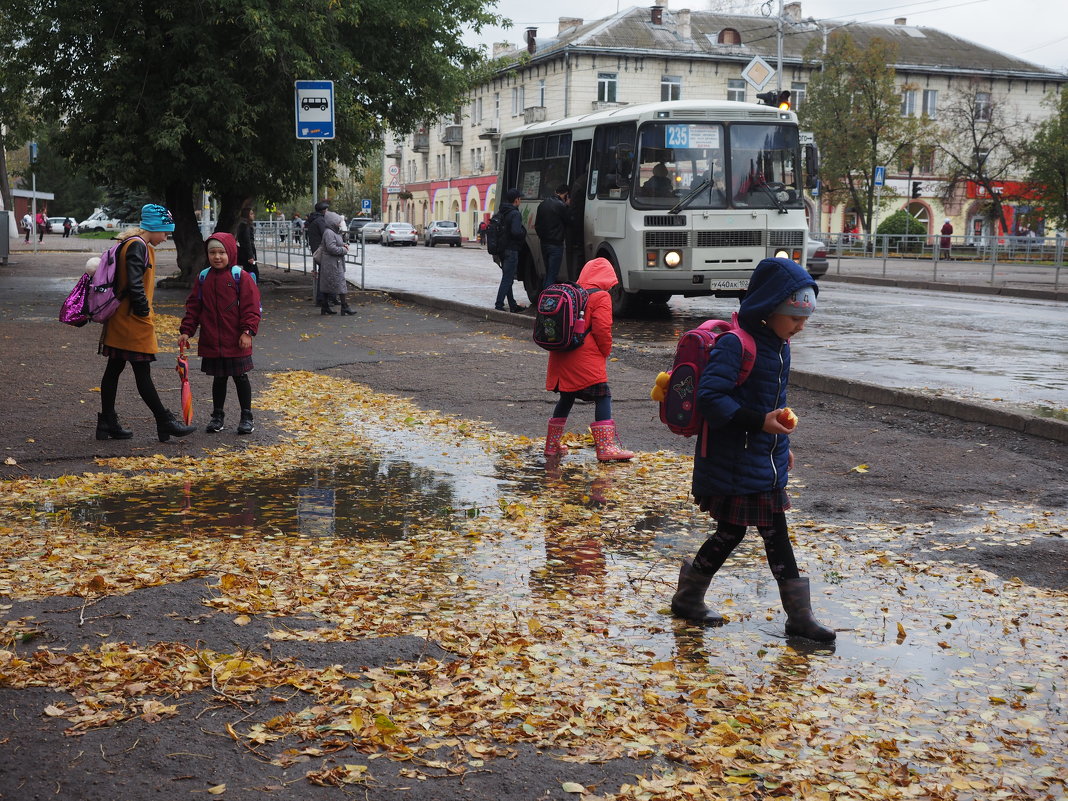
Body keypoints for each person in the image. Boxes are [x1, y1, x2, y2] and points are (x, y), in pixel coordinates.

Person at [669, 256, 834, 642]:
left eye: (804, 319)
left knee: (750, 532)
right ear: (768, 310)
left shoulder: (779, 345)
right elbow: (711, 397)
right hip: (733, 460)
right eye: (794, 318)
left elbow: (774, 402)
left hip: (763, 456)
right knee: (750, 532)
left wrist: (781, 442)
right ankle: (795, 616)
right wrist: (760, 424)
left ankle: (691, 597)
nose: (800, 326)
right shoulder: (736, 345)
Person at [95, 203, 196, 443]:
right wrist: (143, 312)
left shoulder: (133, 244)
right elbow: (134, 283)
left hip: (122, 317)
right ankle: (164, 420)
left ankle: (107, 422)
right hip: (132, 319)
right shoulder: (138, 246)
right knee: (142, 372)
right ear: (155, 227)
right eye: (165, 232)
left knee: (114, 369)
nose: (166, 237)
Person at [543, 257, 634, 462]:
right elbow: (602, 329)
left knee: (566, 397)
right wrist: (605, 351)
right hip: (585, 358)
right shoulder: (601, 296)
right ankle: (606, 448)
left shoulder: (573, 293)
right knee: (603, 396)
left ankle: (551, 445)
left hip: (561, 355)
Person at [178, 233, 262, 435]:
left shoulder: (239, 276)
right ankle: (217, 416)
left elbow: (252, 307)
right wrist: (187, 331)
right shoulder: (203, 277)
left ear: (230, 252)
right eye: (212, 253)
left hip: (236, 339)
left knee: (240, 377)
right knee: (219, 378)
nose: (217, 257)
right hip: (212, 340)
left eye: (221, 252)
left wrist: (247, 332)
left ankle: (246, 416)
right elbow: (194, 307)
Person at [493, 188, 528, 313]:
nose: (521, 201)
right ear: (516, 200)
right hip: (511, 250)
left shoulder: (502, 211)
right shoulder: (515, 214)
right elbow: (516, 232)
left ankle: (512, 305)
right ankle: (499, 304)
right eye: (520, 198)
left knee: (507, 277)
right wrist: (523, 232)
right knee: (507, 279)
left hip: (502, 249)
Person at [318, 211, 354, 316]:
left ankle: (325, 307)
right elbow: (331, 248)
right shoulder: (329, 232)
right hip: (332, 263)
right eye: (338, 222)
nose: (340, 223)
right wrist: (344, 250)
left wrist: (343, 245)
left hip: (333, 262)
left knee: (329, 284)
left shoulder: (334, 232)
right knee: (340, 284)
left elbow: (336, 243)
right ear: (332, 222)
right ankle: (344, 307)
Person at [535, 184, 571, 289]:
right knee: (552, 275)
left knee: (548, 272)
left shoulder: (542, 205)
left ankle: (543, 297)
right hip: (556, 244)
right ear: (566, 195)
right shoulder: (561, 206)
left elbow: (537, 225)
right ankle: (547, 299)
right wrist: (568, 205)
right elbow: (569, 221)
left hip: (544, 243)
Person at [305, 200, 330, 307]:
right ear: (323, 210)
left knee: (323, 273)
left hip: (315, 249)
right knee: (324, 274)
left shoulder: (313, 219)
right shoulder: (320, 220)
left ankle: (324, 298)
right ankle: (321, 299)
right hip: (321, 250)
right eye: (327, 210)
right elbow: (326, 234)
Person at [236, 207, 258, 280]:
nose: (253, 215)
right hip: (248, 253)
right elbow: (247, 241)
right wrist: (250, 256)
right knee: (253, 272)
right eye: (251, 214)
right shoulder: (245, 226)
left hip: (246, 252)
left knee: (249, 271)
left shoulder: (243, 225)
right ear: (246, 215)